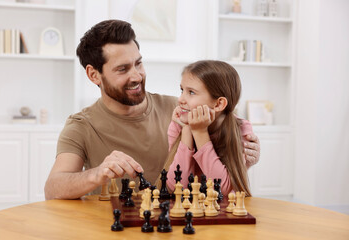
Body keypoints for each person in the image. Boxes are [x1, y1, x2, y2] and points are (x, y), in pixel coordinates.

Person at [44, 20, 260, 200]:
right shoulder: (81, 125)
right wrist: (97, 174)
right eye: (122, 69)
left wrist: (242, 159)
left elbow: (217, 177)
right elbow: (53, 188)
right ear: (94, 75)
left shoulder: (179, 110)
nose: (137, 75)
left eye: (138, 63)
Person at [164, 60, 254, 196]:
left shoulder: (241, 129)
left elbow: (222, 189)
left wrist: (200, 132)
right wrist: (188, 129)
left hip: (223, 211)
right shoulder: (178, 125)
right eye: (182, 90)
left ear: (218, 104)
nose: (181, 99)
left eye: (191, 92)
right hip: (188, 209)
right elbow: (175, 186)